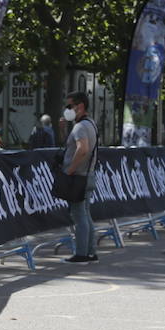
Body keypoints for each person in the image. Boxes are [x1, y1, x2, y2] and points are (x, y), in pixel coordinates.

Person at [61, 91, 100, 263]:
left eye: (69, 106)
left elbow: (82, 149)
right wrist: (63, 131)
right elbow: (72, 146)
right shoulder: (90, 124)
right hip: (88, 175)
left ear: (80, 106)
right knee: (85, 214)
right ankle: (90, 253)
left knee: (79, 216)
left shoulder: (80, 127)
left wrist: (70, 170)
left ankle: (82, 254)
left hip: (79, 177)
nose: (67, 109)